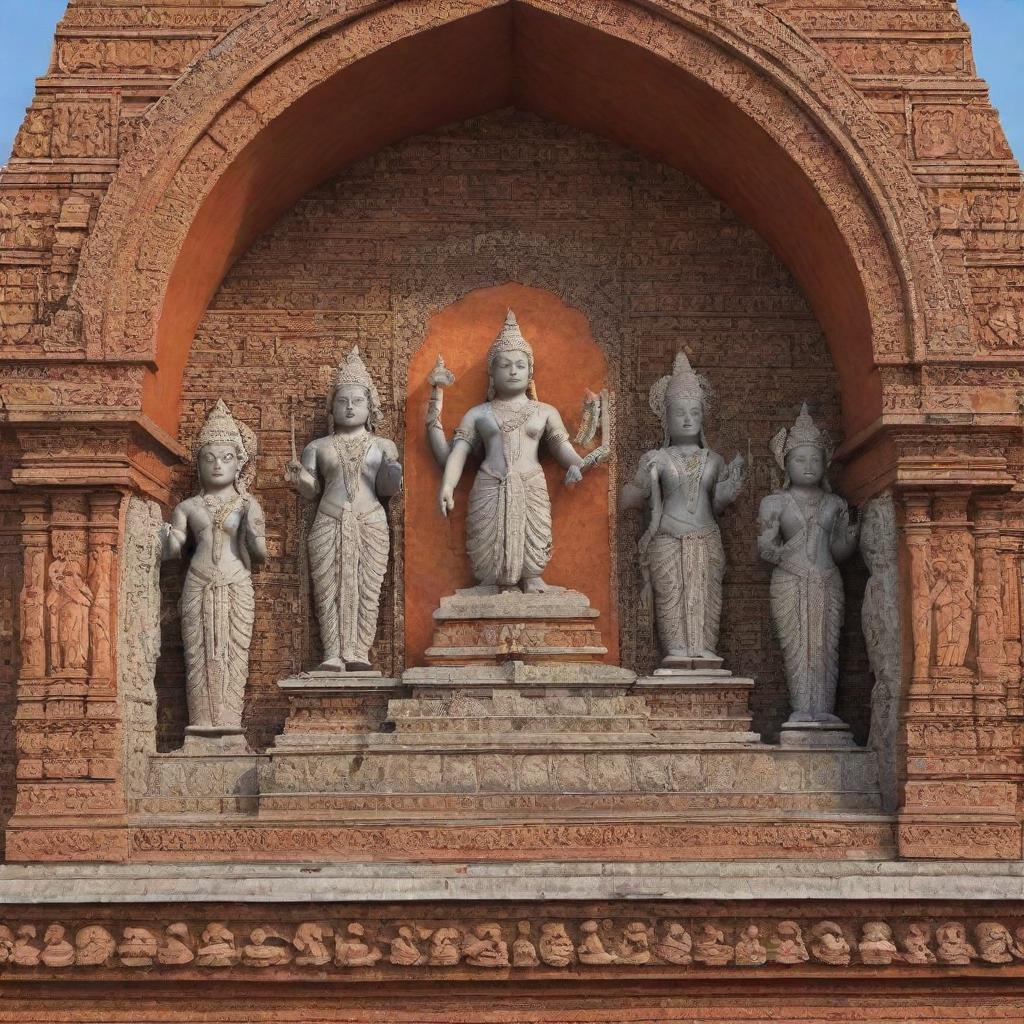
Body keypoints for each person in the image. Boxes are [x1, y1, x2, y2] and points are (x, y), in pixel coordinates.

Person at [436, 310, 587, 593]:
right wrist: (447, 485)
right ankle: (491, 581)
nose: (513, 370)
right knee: (487, 536)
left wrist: (577, 464)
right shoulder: (478, 414)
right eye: (505, 365)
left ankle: (532, 577)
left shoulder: (544, 412)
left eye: (520, 365)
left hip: (531, 482)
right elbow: (458, 452)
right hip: (490, 483)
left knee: (535, 532)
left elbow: (561, 447)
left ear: (531, 371)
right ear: (492, 373)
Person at [621, 353, 743, 664]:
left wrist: (727, 494)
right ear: (665, 418)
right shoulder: (657, 458)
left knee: (705, 597)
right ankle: (675, 655)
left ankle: (705, 654)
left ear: (703, 417)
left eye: (694, 413)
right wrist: (639, 483)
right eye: (679, 413)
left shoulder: (714, 459)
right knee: (671, 598)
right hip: (668, 539)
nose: (687, 419)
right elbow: (628, 501)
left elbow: (716, 503)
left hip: (706, 537)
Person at [286, 348, 401, 670]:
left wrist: (393, 476)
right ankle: (332, 653)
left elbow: (387, 490)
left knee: (367, 588)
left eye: (357, 401)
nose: (350, 407)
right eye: (342, 401)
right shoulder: (317, 447)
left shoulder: (383, 446)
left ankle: (359, 652)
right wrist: (299, 478)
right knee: (328, 590)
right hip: (329, 519)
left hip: (370, 521)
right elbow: (311, 491)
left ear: (370, 407)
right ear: (332, 408)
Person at [161, 400, 267, 739]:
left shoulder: (248, 504)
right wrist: (162, 540)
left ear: (239, 464)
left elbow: (260, 555)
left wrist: (252, 535)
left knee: (232, 652)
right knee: (198, 654)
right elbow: (174, 549)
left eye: (226, 458)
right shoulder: (187, 507)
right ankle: (201, 723)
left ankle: (229, 722)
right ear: (198, 465)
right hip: (198, 582)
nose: (218, 465)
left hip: (236, 582)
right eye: (209, 458)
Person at [758, 403, 858, 726]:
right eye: (800, 459)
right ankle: (801, 708)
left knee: (826, 647)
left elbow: (839, 550)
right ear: (785, 464)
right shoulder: (775, 503)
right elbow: (766, 548)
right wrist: (775, 543)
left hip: (828, 578)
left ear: (826, 463)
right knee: (798, 648)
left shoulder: (835, 504)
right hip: (791, 578)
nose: (809, 465)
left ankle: (824, 709)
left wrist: (851, 536)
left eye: (815, 459)